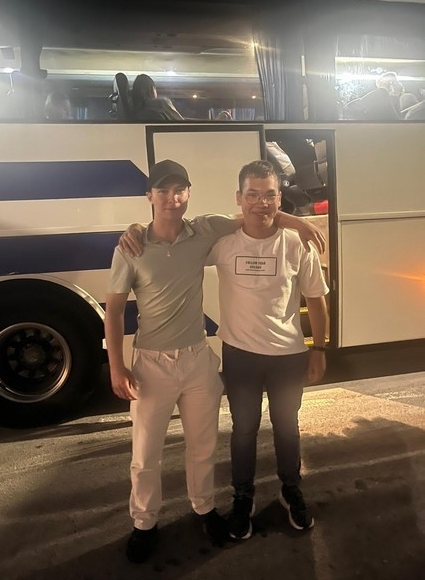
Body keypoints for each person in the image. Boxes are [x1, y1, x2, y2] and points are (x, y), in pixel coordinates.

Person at [111, 160, 326, 563]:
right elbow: (122, 300)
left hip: (241, 357)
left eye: (179, 190)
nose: (172, 199)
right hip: (192, 359)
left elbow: (260, 218)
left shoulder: (242, 237)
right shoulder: (169, 244)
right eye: (163, 191)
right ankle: (169, 517)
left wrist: (294, 220)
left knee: (237, 439)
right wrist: (117, 366)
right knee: (172, 447)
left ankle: (246, 500)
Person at [206, 160, 329, 540]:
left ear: (279, 197)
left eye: (269, 195)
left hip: (288, 356)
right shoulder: (223, 243)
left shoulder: (297, 243)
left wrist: (319, 349)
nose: (261, 202)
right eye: (253, 195)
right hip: (240, 355)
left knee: (287, 428)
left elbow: (316, 299)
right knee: (243, 430)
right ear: (239, 198)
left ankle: (291, 490)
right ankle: (243, 497)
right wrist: (135, 229)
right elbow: (178, 235)